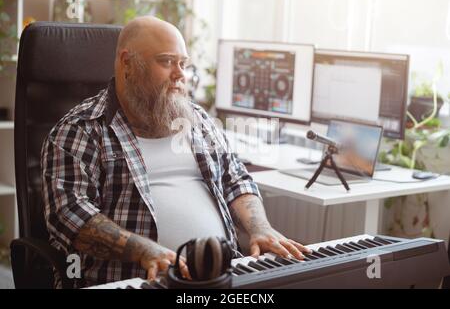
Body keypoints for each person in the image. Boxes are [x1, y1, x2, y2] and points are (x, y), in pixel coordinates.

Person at [41, 16, 310, 288]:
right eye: (167, 61)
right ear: (127, 63)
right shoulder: (82, 130)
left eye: (183, 63)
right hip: (133, 282)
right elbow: (70, 215)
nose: (180, 74)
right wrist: (144, 250)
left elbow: (236, 179)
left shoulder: (198, 119)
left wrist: (259, 228)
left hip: (220, 278)